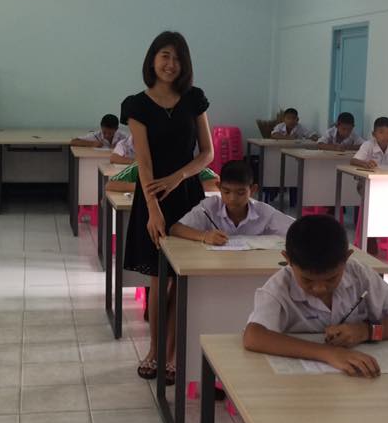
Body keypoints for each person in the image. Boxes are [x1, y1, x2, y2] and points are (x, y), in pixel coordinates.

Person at [121, 31, 213, 383]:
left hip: (188, 197)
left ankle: (172, 354)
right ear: (152, 60)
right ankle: (154, 351)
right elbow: (144, 162)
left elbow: (207, 153)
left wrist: (179, 177)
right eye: (164, 55)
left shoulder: (194, 99)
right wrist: (153, 208)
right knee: (160, 282)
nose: (170, 64)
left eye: (177, 58)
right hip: (153, 198)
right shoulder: (136, 105)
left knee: (181, 280)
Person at [243, 214, 388, 377]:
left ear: (347, 258)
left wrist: (365, 331)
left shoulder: (360, 275)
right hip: (300, 382)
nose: (320, 288)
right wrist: (328, 353)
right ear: (288, 259)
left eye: (331, 278)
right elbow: (254, 336)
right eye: (307, 280)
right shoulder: (279, 287)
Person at [170, 160, 292, 245]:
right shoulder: (210, 207)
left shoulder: (263, 212)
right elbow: (175, 229)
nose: (232, 198)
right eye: (226, 192)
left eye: (240, 192)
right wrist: (204, 236)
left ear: (253, 190)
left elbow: (295, 231)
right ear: (219, 187)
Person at [106, 163, 218, 194]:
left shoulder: (191, 165)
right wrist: (145, 187)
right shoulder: (142, 166)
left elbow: (217, 183)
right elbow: (110, 184)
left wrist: (180, 185)